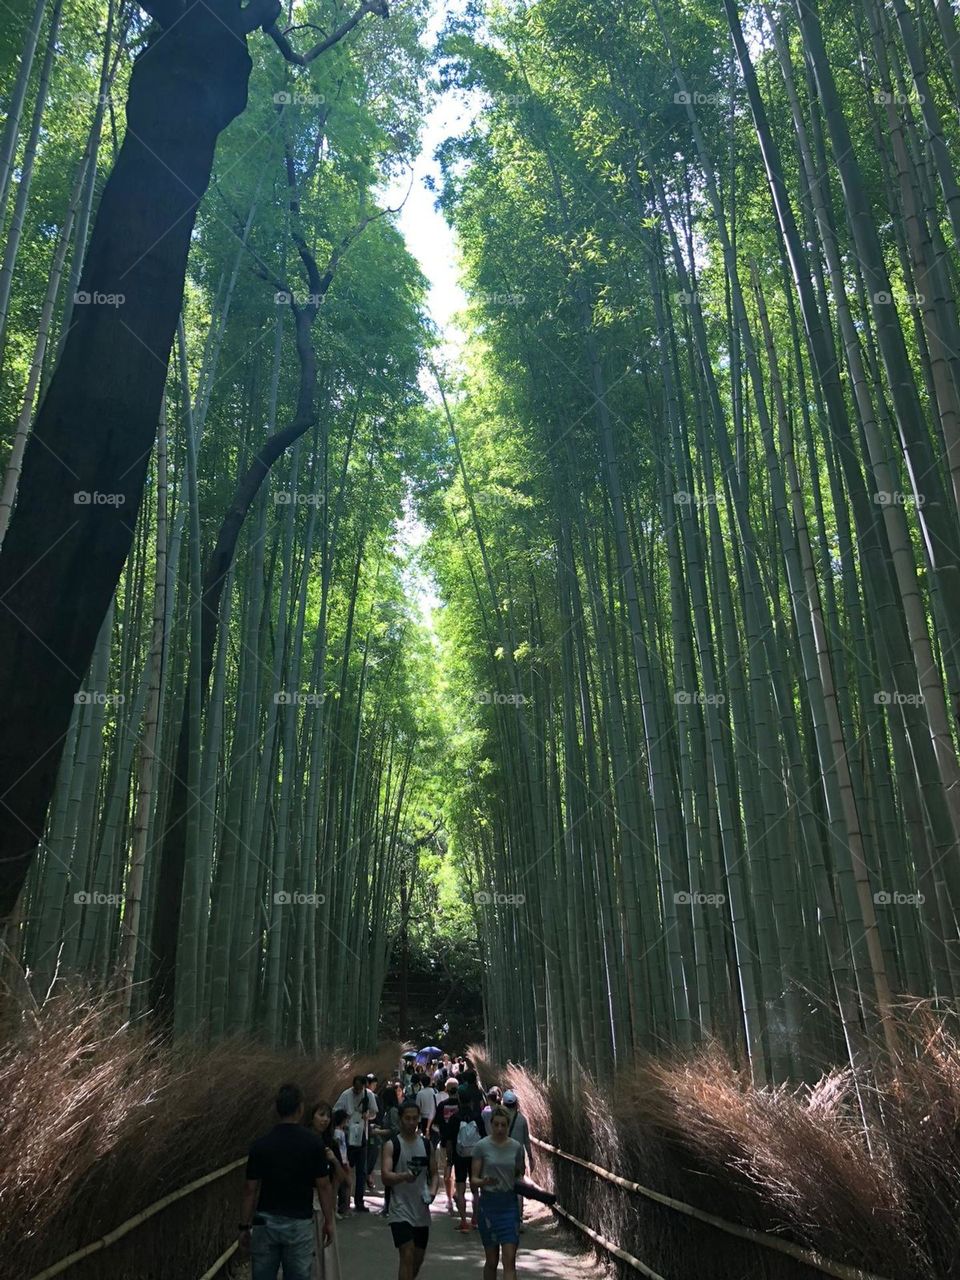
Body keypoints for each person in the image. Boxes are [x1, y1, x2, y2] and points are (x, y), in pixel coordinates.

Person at [239, 1083, 335, 1280]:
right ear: (300, 1109)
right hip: (299, 1222)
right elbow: (324, 1185)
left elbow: (250, 1189)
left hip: (264, 1222)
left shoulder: (260, 1145)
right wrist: (329, 1220)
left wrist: (243, 1227)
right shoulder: (313, 1143)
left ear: (277, 1109)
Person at [381, 1098, 439, 1280]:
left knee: (417, 1259)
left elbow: (435, 1174)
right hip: (399, 1209)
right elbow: (385, 1176)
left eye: (415, 1118)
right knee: (407, 1254)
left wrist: (432, 1192)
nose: (412, 1122)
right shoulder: (392, 1145)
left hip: (421, 1210)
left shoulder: (426, 1145)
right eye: (408, 1118)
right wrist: (404, 1176)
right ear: (400, 1119)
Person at [471, 1105, 525, 1280]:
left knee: (509, 1260)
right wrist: (484, 1181)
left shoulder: (516, 1147)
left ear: (508, 1125)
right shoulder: (481, 1146)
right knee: (492, 1261)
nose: (500, 1129)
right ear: (491, 1125)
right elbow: (473, 1179)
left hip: (509, 1204)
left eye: (503, 1125)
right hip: (489, 1205)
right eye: (496, 1125)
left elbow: (519, 1172)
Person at [306, 1104, 346, 1279]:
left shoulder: (332, 1143)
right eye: (321, 1115)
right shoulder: (304, 1141)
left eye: (328, 1116)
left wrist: (334, 1160)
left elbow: (344, 1177)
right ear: (311, 1116)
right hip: (306, 1201)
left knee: (326, 1248)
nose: (325, 1119)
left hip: (326, 1202)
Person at [333, 1075, 378, 1213]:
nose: (357, 1091)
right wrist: (345, 1121)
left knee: (361, 1171)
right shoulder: (346, 1094)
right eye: (355, 1088)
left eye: (360, 1088)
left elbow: (374, 1112)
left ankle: (359, 1202)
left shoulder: (368, 1095)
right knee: (344, 1168)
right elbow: (336, 1110)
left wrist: (367, 1115)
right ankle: (343, 1203)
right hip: (347, 1136)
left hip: (362, 1135)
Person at [450, 1089, 484, 1233]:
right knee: (475, 1189)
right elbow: (484, 1136)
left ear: (459, 1099)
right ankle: (475, 1219)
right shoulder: (477, 1116)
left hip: (460, 1156)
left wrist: (450, 1158)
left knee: (461, 1188)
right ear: (471, 1101)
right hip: (475, 1156)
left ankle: (463, 1221)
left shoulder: (455, 1117)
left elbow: (451, 1139)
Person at [501, 1090, 532, 1232]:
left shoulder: (500, 1121)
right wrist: (530, 1158)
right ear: (516, 1104)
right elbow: (527, 1141)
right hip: (518, 1158)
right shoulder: (522, 1119)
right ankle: (518, 1219)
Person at [434, 1078, 461, 1213]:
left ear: (446, 1089)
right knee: (459, 1170)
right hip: (460, 1142)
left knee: (447, 1169)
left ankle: (449, 1199)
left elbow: (437, 1123)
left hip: (445, 1141)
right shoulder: (462, 1105)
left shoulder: (441, 1105)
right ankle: (456, 1193)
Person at [415, 1073, 439, 1141]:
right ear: (430, 1082)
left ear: (422, 1083)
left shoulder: (420, 1093)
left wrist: (418, 1123)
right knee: (434, 1138)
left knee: (425, 1138)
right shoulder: (435, 1091)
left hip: (424, 1119)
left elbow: (417, 1108)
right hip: (434, 1117)